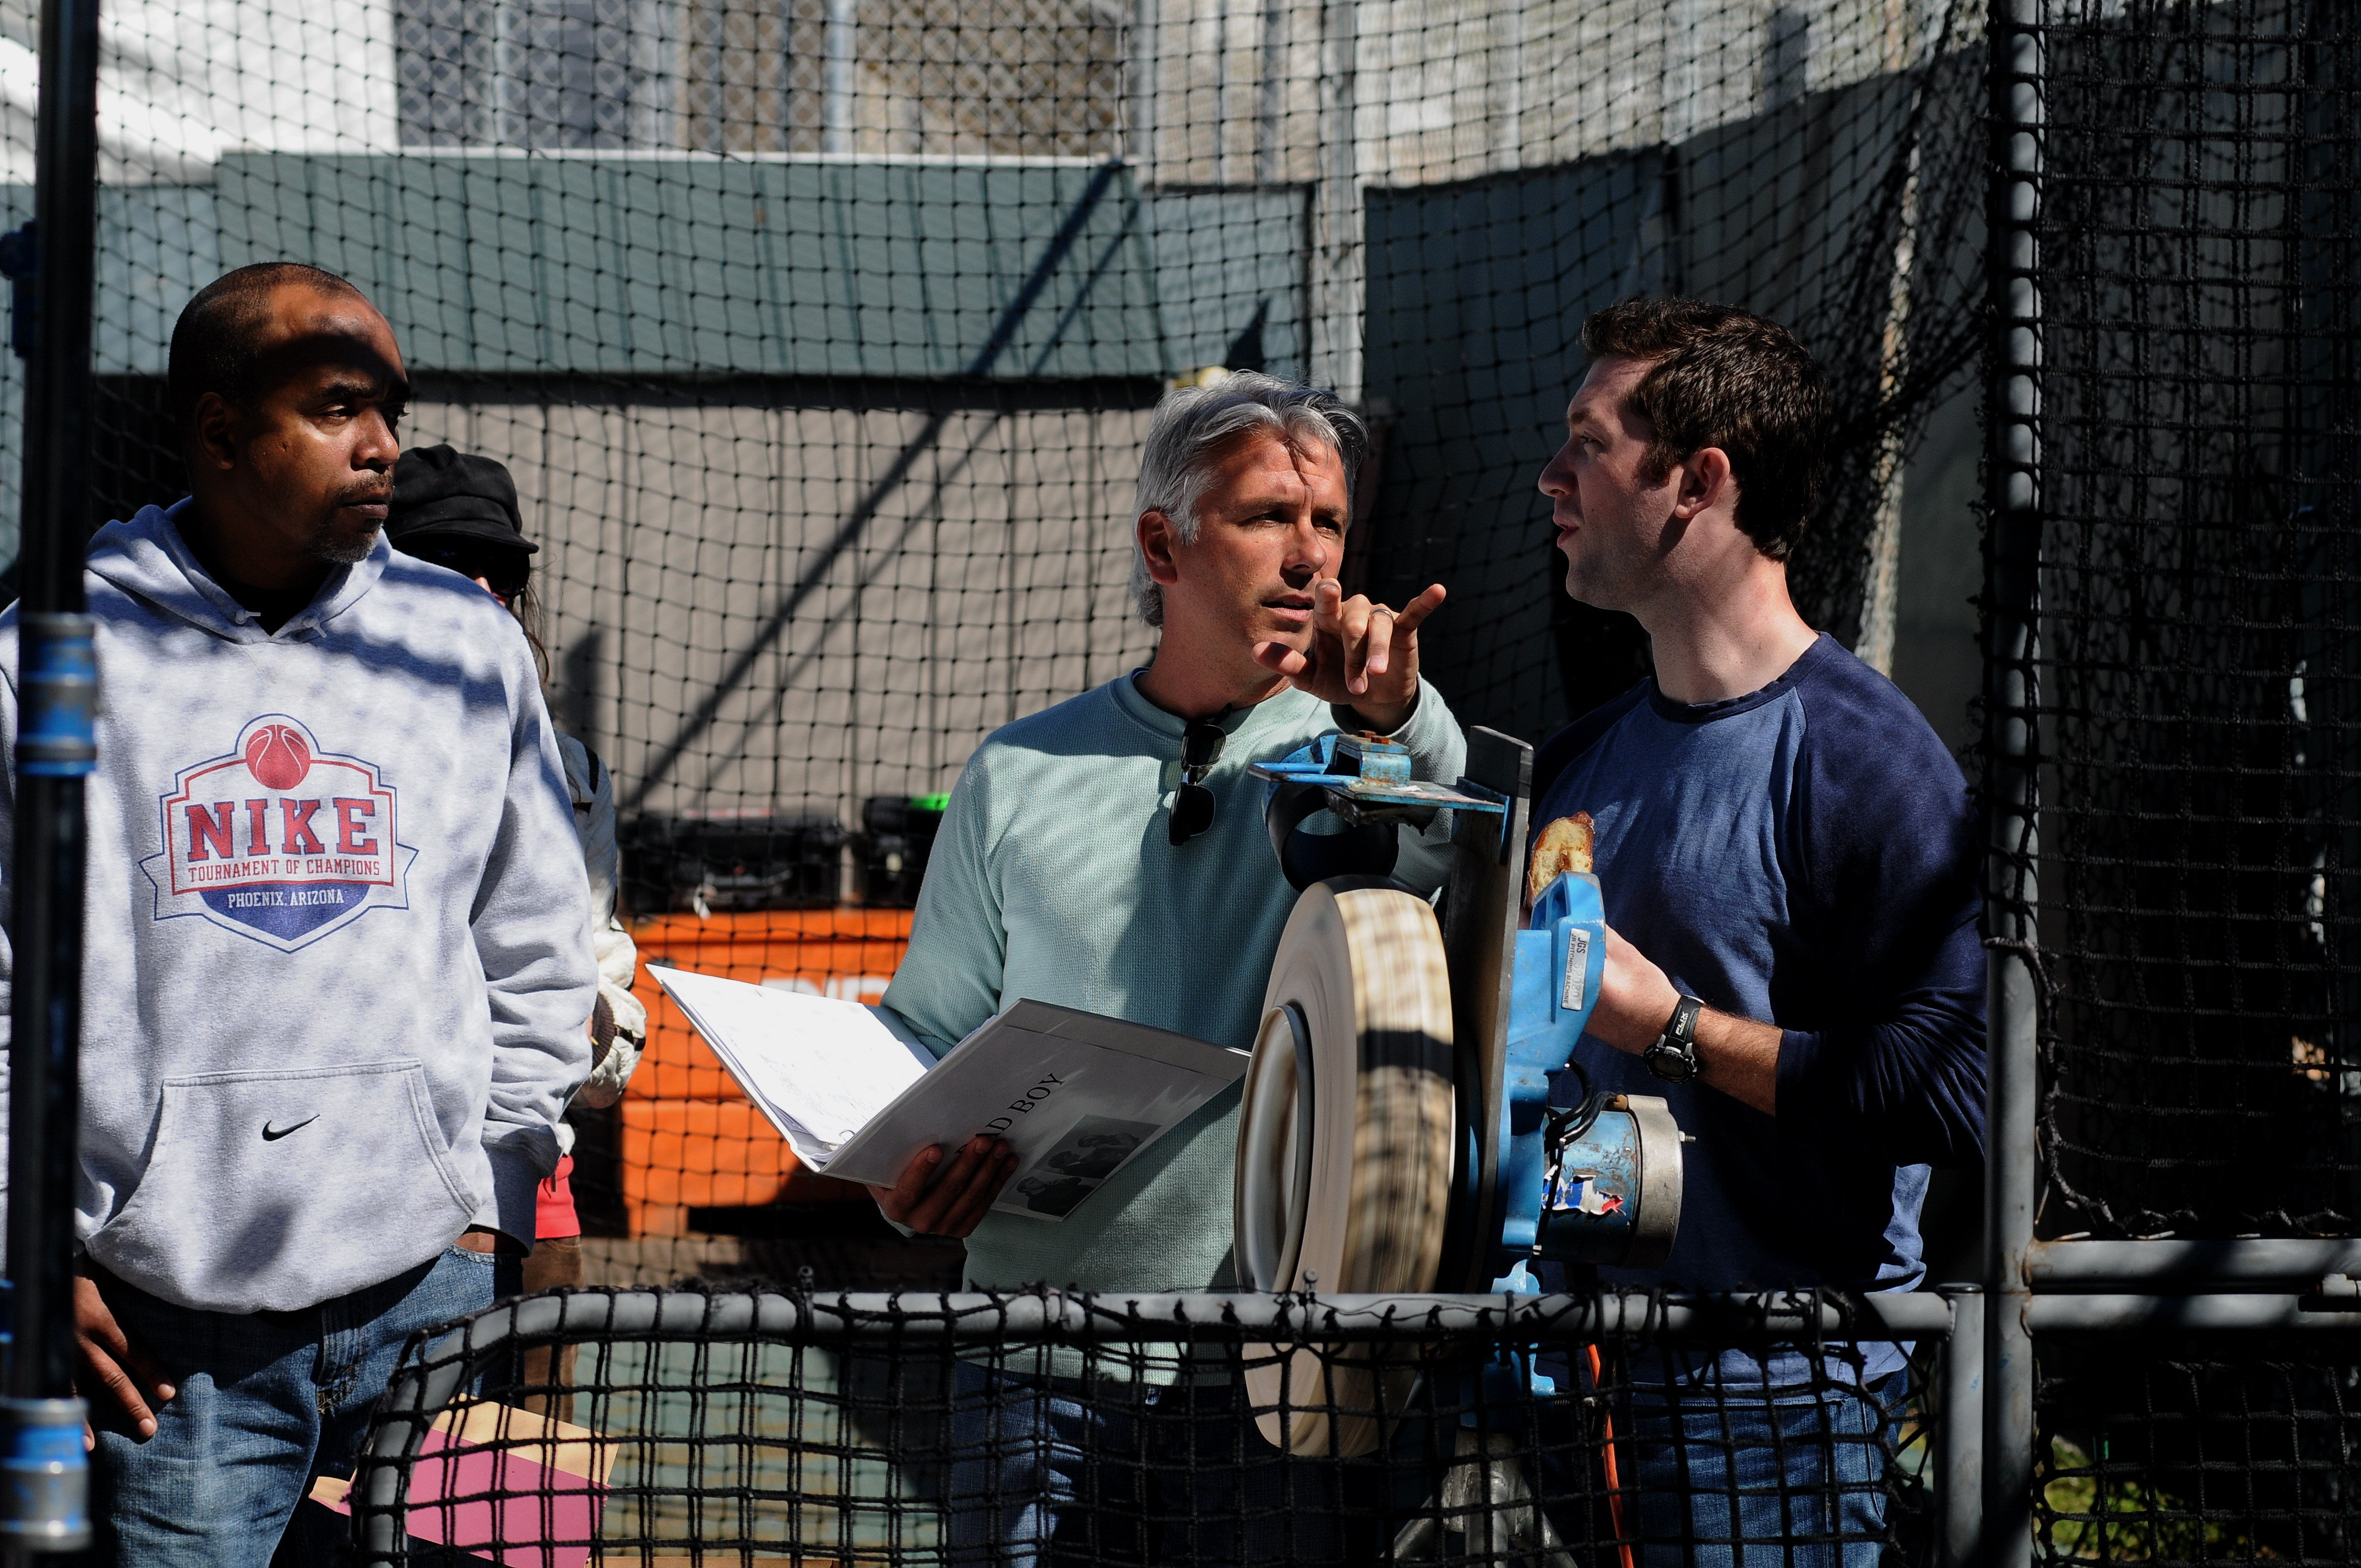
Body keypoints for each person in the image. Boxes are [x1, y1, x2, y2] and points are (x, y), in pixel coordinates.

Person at [0, 262, 599, 1562]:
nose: (384, 444)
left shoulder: (461, 645)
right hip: (167, 1336)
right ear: (219, 432)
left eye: (388, 406)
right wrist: (26, 1232)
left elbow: (538, 941)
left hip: (427, 1286)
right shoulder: (49, 654)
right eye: (338, 407)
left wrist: (496, 1189)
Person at [873, 371, 1467, 1561]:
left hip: (1280, 1365)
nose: (1308, 557)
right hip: (1031, 1353)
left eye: (1329, 524)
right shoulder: (1015, 771)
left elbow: (1441, 837)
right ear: (1164, 541)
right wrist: (902, 1180)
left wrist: (1392, 723)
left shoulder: (1371, 737)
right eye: (1266, 518)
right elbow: (923, 1040)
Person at [1528, 298, 1985, 1566]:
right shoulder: (1578, 762)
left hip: (1776, 1392)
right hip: (1578, 1391)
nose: (1550, 476)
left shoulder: (1862, 758)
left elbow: (1955, 1088)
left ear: (1697, 479)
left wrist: (1668, 1027)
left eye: (1589, 442)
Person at [383, 443, 650, 1422]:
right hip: (384, 1196)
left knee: (520, 1493)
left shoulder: (568, 768)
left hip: (531, 1184)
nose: (484, 589)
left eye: (503, 570)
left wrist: (592, 1027)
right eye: (451, 562)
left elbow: (598, 967)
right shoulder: (343, 747)